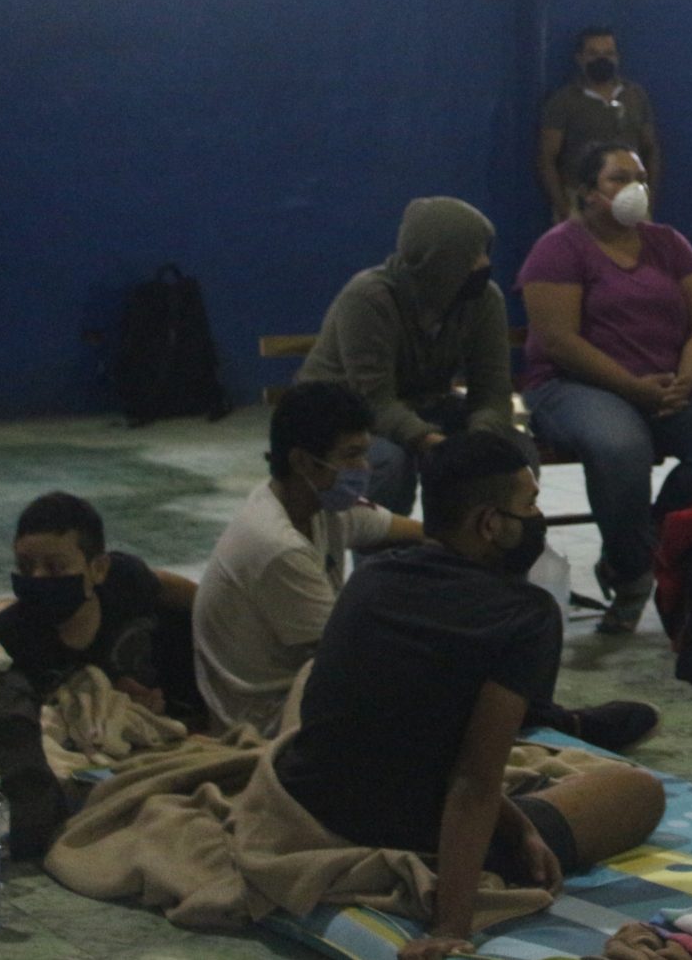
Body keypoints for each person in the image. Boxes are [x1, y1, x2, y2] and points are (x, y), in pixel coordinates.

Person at [275, 433, 667, 960]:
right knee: (637, 791)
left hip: (311, 803)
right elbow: (473, 782)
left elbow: (402, 734)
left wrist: (517, 822)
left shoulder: (372, 579)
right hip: (406, 828)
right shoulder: (524, 616)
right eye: (530, 505)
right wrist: (450, 926)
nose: (537, 518)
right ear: (489, 523)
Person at [517, 143, 692, 633]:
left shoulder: (669, 243)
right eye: (618, 178)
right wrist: (631, 387)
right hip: (575, 384)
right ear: (588, 192)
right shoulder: (558, 249)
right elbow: (559, 341)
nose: (635, 188)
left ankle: (644, 549)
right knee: (621, 447)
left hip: (669, 381)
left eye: (640, 177)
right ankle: (632, 576)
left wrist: (687, 378)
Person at [194, 381, 426, 734]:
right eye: (351, 455)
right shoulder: (278, 547)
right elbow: (353, 654)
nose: (364, 468)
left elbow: (406, 531)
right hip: (263, 718)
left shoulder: (316, 502)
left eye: (364, 453)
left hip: (297, 689)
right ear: (302, 461)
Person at [299, 196, 538, 516]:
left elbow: (493, 390)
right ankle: (381, 545)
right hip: (344, 413)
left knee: (514, 453)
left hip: (426, 405)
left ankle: (487, 541)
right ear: (440, 260)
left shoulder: (484, 299)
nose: (484, 263)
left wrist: (480, 438)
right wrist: (435, 444)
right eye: (473, 254)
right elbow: (374, 401)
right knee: (387, 463)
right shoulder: (369, 298)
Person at [0, 492, 202, 719]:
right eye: (25, 567)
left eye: (55, 567)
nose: (37, 577)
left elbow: (168, 586)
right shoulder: (8, 641)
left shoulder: (124, 582)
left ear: (98, 569)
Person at [537, 26, 661, 223]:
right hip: (581, 200)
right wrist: (564, 209)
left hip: (631, 198)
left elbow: (650, 149)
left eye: (608, 53)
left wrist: (648, 199)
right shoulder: (563, 101)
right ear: (580, 58)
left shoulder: (635, 96)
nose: (602, 59)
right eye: (593, 53)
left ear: (617, 57)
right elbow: (547, 159)